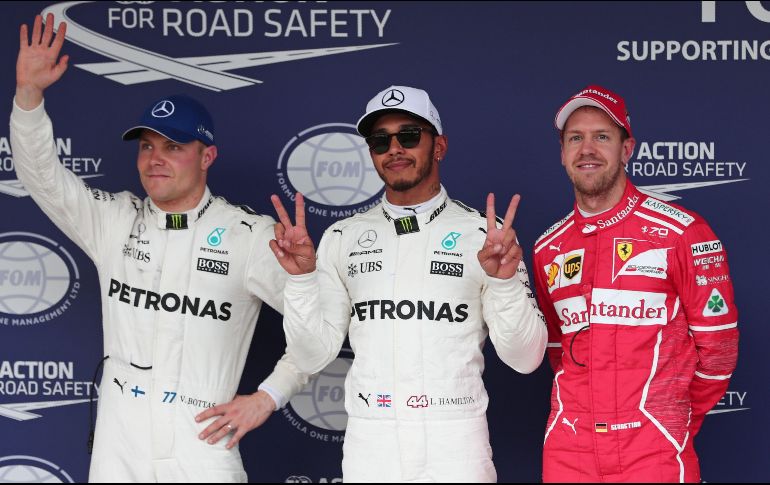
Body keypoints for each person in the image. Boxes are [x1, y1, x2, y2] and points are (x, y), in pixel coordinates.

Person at [11, 14, 308, 482]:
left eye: (173, 147)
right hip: (119, 445)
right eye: (147, 146)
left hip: (200, 443)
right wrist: (29, 98)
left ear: (206, 155)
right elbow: (41, 177)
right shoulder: (113, 220)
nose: (155, 159)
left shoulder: (247, 235)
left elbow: (319, 326)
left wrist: (268, 395)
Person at [269, 85, 548, 482]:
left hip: (455, 442)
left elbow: (527, 358)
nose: (394, 148)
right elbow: (313, 356)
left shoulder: (485, 236)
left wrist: (503, 283)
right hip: (371, 443)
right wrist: (299, 282)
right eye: (380, 140)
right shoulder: (342, 237)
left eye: (410, 135)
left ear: (439, 146)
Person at [533, 85, 739, 482]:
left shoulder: (682, 232)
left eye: (602, 137)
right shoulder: (548, 247)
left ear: (627, 149)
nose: (587, 149)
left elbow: (719, 352)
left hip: (652, 448)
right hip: (569, 449)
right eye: (575, 138)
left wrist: (667, 418)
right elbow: (559, 350)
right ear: (562, 153)